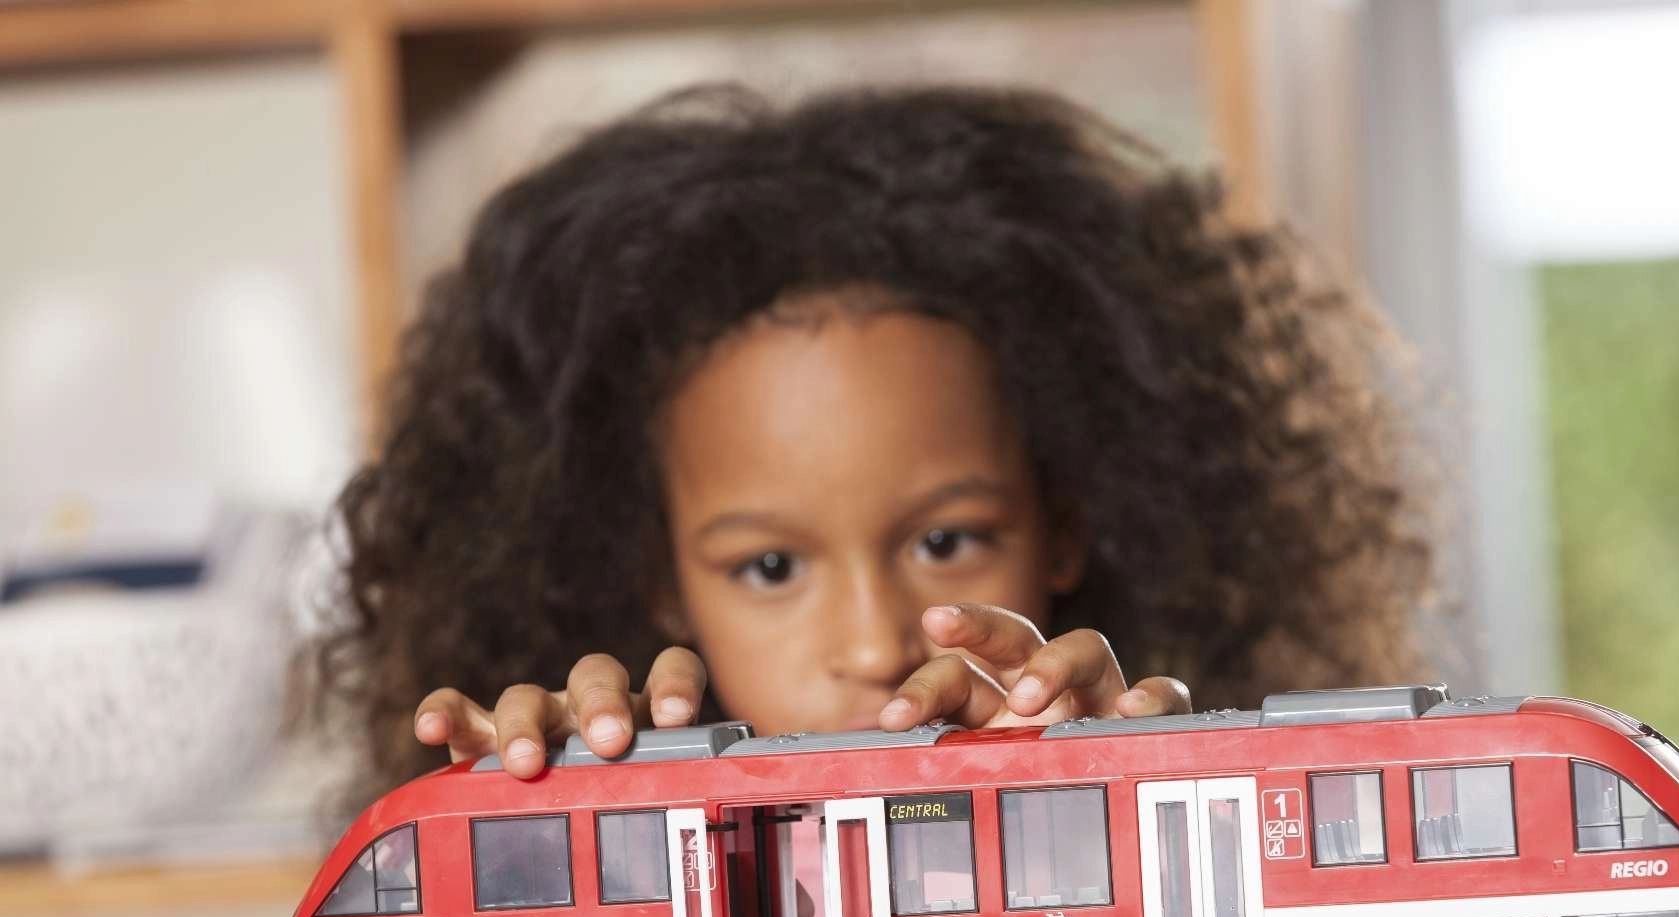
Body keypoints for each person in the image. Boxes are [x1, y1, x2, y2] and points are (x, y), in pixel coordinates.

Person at [313, 83, 1429, 806]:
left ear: (1067, 526)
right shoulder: (624, 831)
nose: (873, 642)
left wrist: (1139, 789)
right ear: (662, 584)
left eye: (946, 540)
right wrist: (547, 814)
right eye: (770, 566)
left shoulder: (1159, 792)